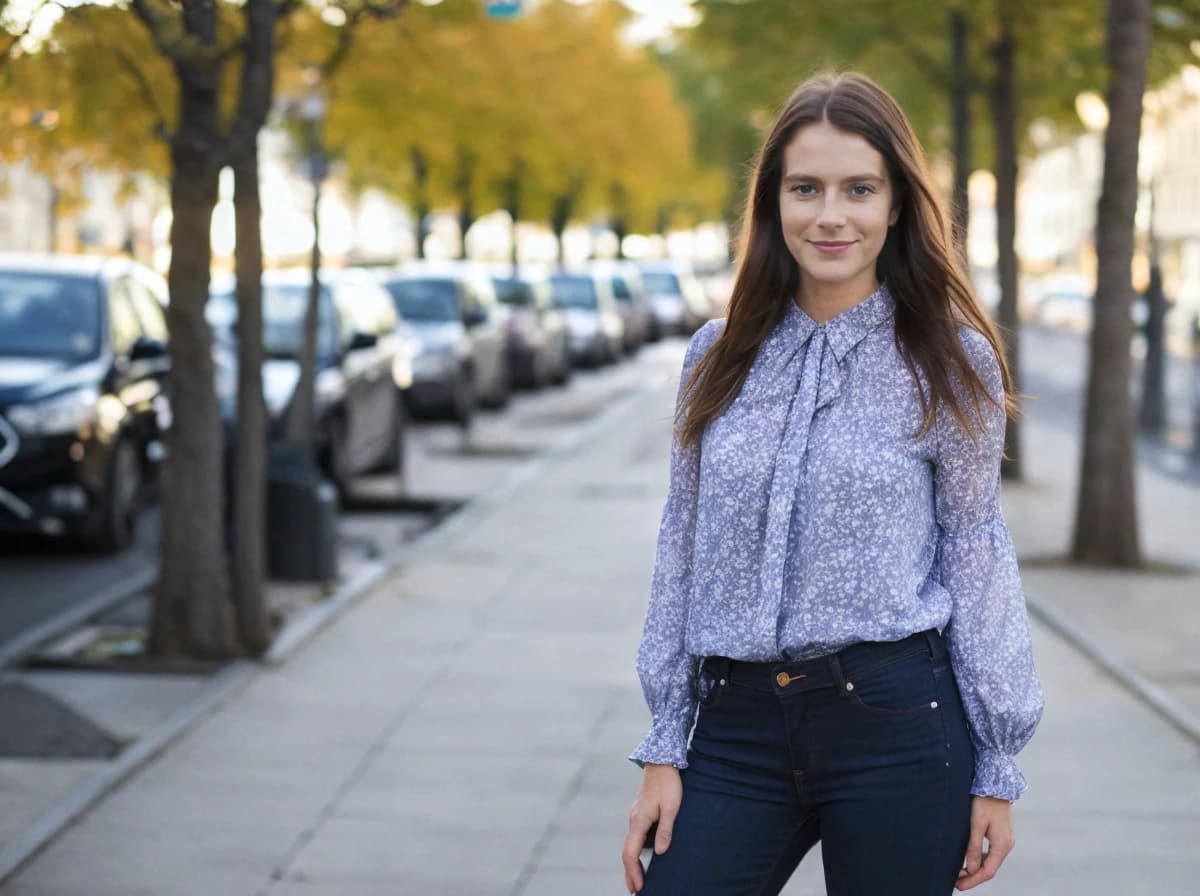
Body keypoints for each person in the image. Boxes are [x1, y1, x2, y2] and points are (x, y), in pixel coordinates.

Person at [621, 72, 1044, 896]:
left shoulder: (951, 362)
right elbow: (683, 539)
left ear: (896, 205)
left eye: (860, 189)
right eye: (805, 188)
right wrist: (665, 745)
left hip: (897, 723)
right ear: (774, 202)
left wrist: (996, 764)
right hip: (735, 727)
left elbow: (976, 549)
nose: (830, 215)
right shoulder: (718, 354)